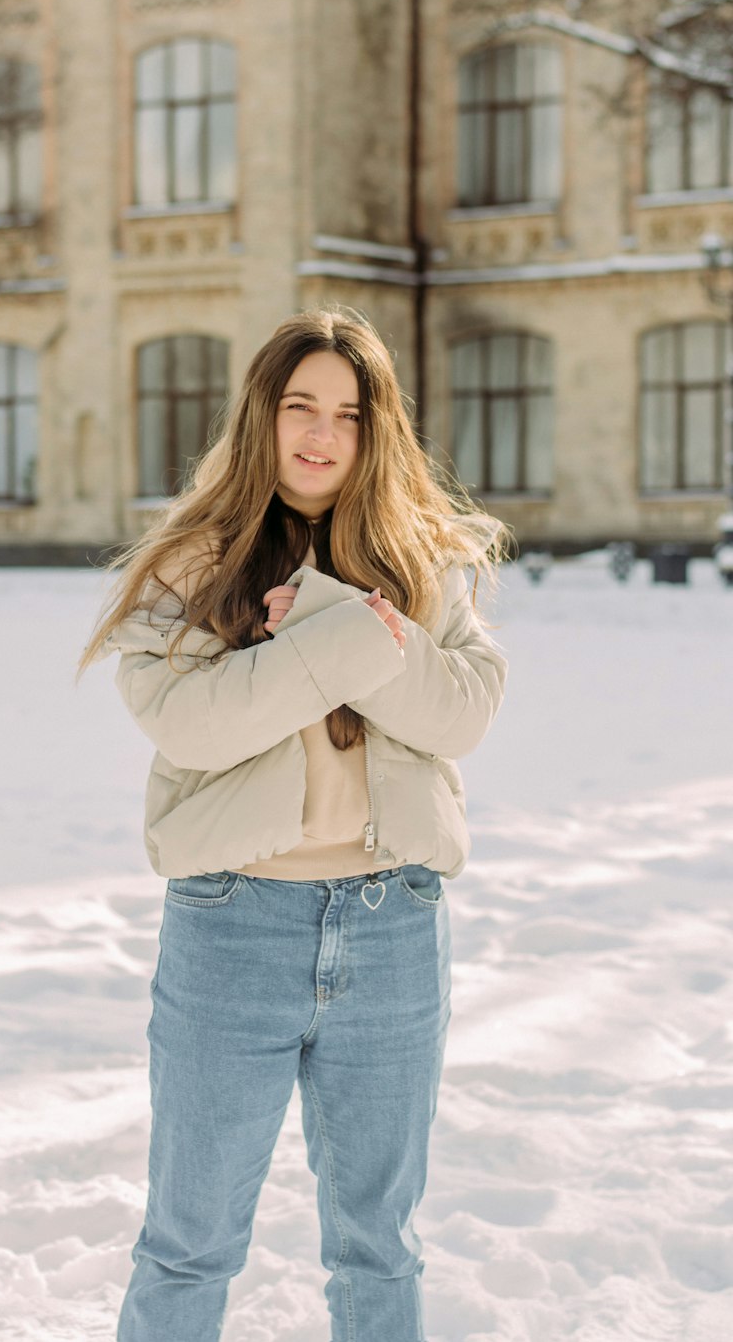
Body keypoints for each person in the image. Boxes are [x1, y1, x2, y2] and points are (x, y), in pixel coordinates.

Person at [78, 306, 511, 1342]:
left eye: (349, 415)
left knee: (379, 1246)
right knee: (189, 1239)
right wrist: (338, 639)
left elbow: (462, 711)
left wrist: (338, 620)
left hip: (393, 924)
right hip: (234, 926)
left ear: (377, 430)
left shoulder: (425, 558)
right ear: (260, 416)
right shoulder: (193, 562)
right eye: (299, 406)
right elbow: (192, 724)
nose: (321, 436)